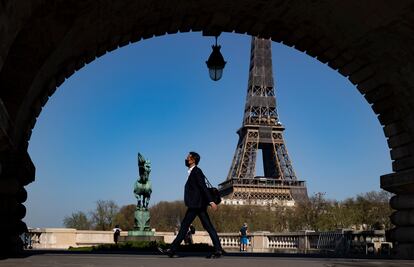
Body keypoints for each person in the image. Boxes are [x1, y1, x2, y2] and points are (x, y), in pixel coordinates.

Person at [159, 152, 224, 258]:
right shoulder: (193, 171)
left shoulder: (197, 171)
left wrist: (211, 201)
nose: (186, 159)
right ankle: (218, 249)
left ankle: (172, 249)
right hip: (197, 205)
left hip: (196, 205)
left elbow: (203, 187)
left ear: (193, 160)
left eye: (188, 157)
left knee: (185, 226)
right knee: (206, 227)